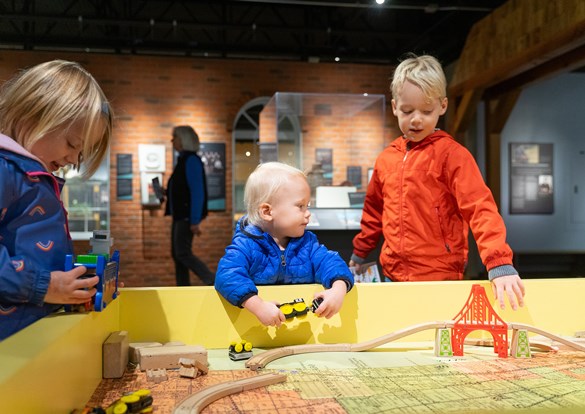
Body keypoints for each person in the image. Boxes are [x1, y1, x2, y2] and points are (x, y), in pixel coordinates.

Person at [350, 54, 525, 310]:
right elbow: (374, 211)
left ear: (442, 106)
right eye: (408, 111)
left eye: (426, 110)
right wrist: (360, 251)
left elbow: (480, 208)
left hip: (440, 275)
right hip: (392, 275)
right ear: (395, 106)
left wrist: (499, 262)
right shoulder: (387, 158)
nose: (417, 119)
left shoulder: (453, 156)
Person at [0, 60, 113, 340]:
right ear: (31, 116)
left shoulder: (33, 177)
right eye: (73, 145)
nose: (74, 160)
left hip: (29, 339)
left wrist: (75, 285)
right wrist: (43, 285)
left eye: (82, 153)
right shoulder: (6, 170)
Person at [215, 162, 354, 326]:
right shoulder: (246, 246)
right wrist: (258, 306)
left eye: (307, 206)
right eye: (300, 206)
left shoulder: (308, 244)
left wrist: (338, 289)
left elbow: (331, 262)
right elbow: (227, 275)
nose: (308, 214)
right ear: (267, 212)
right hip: (256, 334)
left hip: (303, 337)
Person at [165, 125, 215, 286]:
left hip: (186, 216)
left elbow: (197, 192)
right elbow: (182, 190)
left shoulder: (191, 160)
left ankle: (212, 280)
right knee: (177, 254)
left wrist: (194, 221)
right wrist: (166, 192)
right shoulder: (183, 160)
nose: (172, 141)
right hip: (180, 215)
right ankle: (182, 287)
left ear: (183, 140)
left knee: (182, 253)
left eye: (175, 138)